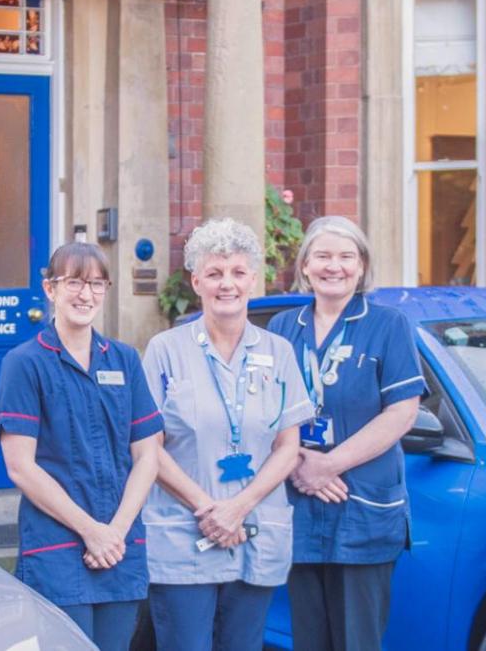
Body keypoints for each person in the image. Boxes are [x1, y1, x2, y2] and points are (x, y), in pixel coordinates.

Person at [141, 218, 315, 651]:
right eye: (215, 274)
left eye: (238, 273)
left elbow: (288, 445)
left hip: (255, 528)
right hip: (184, 535)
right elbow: (147, 448)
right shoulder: (165, 351)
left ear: (253, 280)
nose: (227, 284)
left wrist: (238, 507)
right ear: (196, 280)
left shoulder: (278, 352)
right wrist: (209, 509)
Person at [267, 216, 426, 651]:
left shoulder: (388, 324)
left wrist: (330, 465)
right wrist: (302, 464)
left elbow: (402, 413)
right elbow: (264, 410)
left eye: (345, 256)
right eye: (322, 256)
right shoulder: (283, 327)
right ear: (304, 266)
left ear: (361, 266)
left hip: (362, 506)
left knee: (358, 641)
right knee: (308, 640)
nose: (333, 266)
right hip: (300, 501)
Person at [0, 242, 163, 651]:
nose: (85, 295)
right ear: (50, 289)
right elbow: (21, 468)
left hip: (119, 549)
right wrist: (92, 532)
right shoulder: (25, 363)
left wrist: (115, 533)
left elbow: (147, 455)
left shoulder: (124, 361)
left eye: (95, 284)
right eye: (74, 282)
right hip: (58, 551)